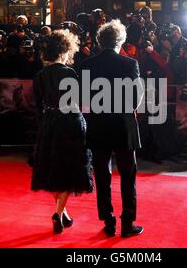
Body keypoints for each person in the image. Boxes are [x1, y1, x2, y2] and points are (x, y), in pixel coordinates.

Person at [80, 20, 145, 238]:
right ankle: (127, 223)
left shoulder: (88, 64)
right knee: (128, 175)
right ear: (120, 40)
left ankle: (108, 221)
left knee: (102, 175)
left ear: (100, 40)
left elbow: (84, 97)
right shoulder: (129, 64)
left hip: (98, 124)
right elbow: (137, 98)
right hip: (123, 125)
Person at [30, 30, 94, 234]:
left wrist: (44, 123)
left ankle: (62, 213)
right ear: (64, 51)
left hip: (49, 124)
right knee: (70, 169)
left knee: (53, 169)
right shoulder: (69, 73)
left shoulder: (40, 75)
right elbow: (79, 101)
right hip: (70, 122)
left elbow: (37, 105)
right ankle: (57, 214)